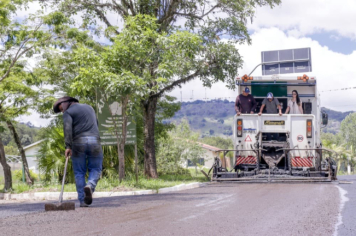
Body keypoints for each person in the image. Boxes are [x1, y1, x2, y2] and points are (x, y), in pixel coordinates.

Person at [53, 96, 103, 207]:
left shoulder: (68, 113)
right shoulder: (90, 108)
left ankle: (83, 200)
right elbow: (97, 124)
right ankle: (90, 185)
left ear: (67, 103)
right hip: (95, 140)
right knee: (95, 168)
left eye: (61, 109)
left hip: (78, 142)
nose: (62, 111)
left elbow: (67, 129)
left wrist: (68, 146)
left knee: (79, 172)